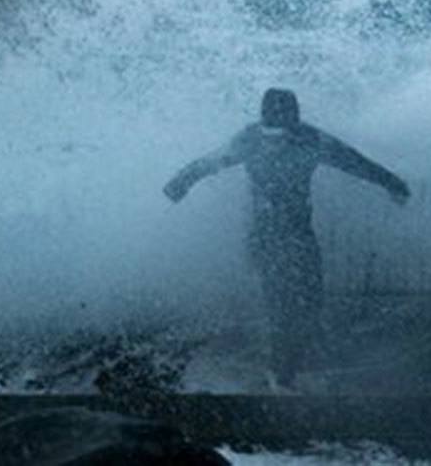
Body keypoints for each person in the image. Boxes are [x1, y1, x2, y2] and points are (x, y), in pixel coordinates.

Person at [163, 88, 411, 390]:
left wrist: (392, 183)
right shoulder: (250, 140)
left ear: (294, 125)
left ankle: (290, 363)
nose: (275, 143)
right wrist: (180, 182)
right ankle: (282, 374)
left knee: (310, 300)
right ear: (262, 125)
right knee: (280, 303)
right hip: (266, 234)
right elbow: (210, 162)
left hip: (298, 232)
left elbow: (355, 162)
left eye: (282, 135)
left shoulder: (312, 139)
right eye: (270, 135)